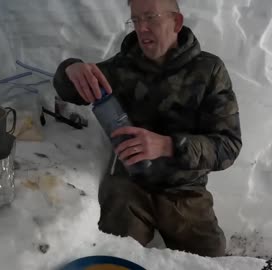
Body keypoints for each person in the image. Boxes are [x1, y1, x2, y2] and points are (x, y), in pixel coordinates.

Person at [52, 0, 242, 257]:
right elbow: (72, 89)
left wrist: (166, 145)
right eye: (136, 20)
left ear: (176, 22)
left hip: (185, 191)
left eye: (150, 17)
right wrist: (70, 68)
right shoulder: (122, 67)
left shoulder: (209, 71)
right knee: (113, 257)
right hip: (130, 186)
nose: (141, 28)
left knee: (210, 259)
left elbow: (227, 146)